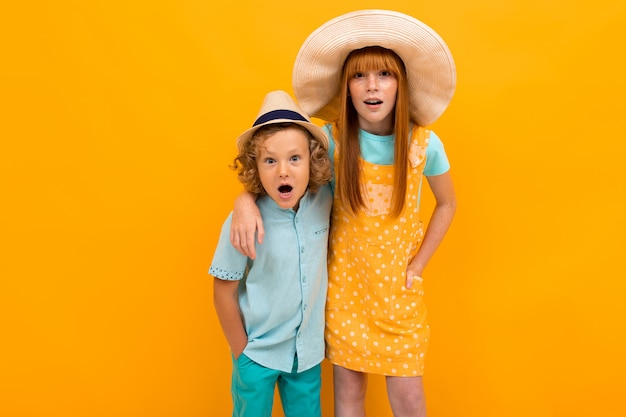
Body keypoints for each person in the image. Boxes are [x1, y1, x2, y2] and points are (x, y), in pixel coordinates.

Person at [230, 10, 457, 417]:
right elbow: (282, 181)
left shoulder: (424, 144)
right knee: (348, 397)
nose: (372, 86)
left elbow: (448, 203)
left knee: (409, 401)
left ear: (400, 84)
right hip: (345, 291)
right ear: (346, 88)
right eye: (359, 76)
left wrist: (419, 264)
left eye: (384, 75)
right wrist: (243, 202)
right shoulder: (333, 141)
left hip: (398, 297)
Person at [209, 90, 332, 417]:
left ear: (313, 160)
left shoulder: (325, 202)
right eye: (269, 160)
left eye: (295, 158)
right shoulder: (242, 223)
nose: (283, 172)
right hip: (257, 354)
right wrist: (241, 352)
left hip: (306, 356)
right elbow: (224, 287)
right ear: (255, 167)